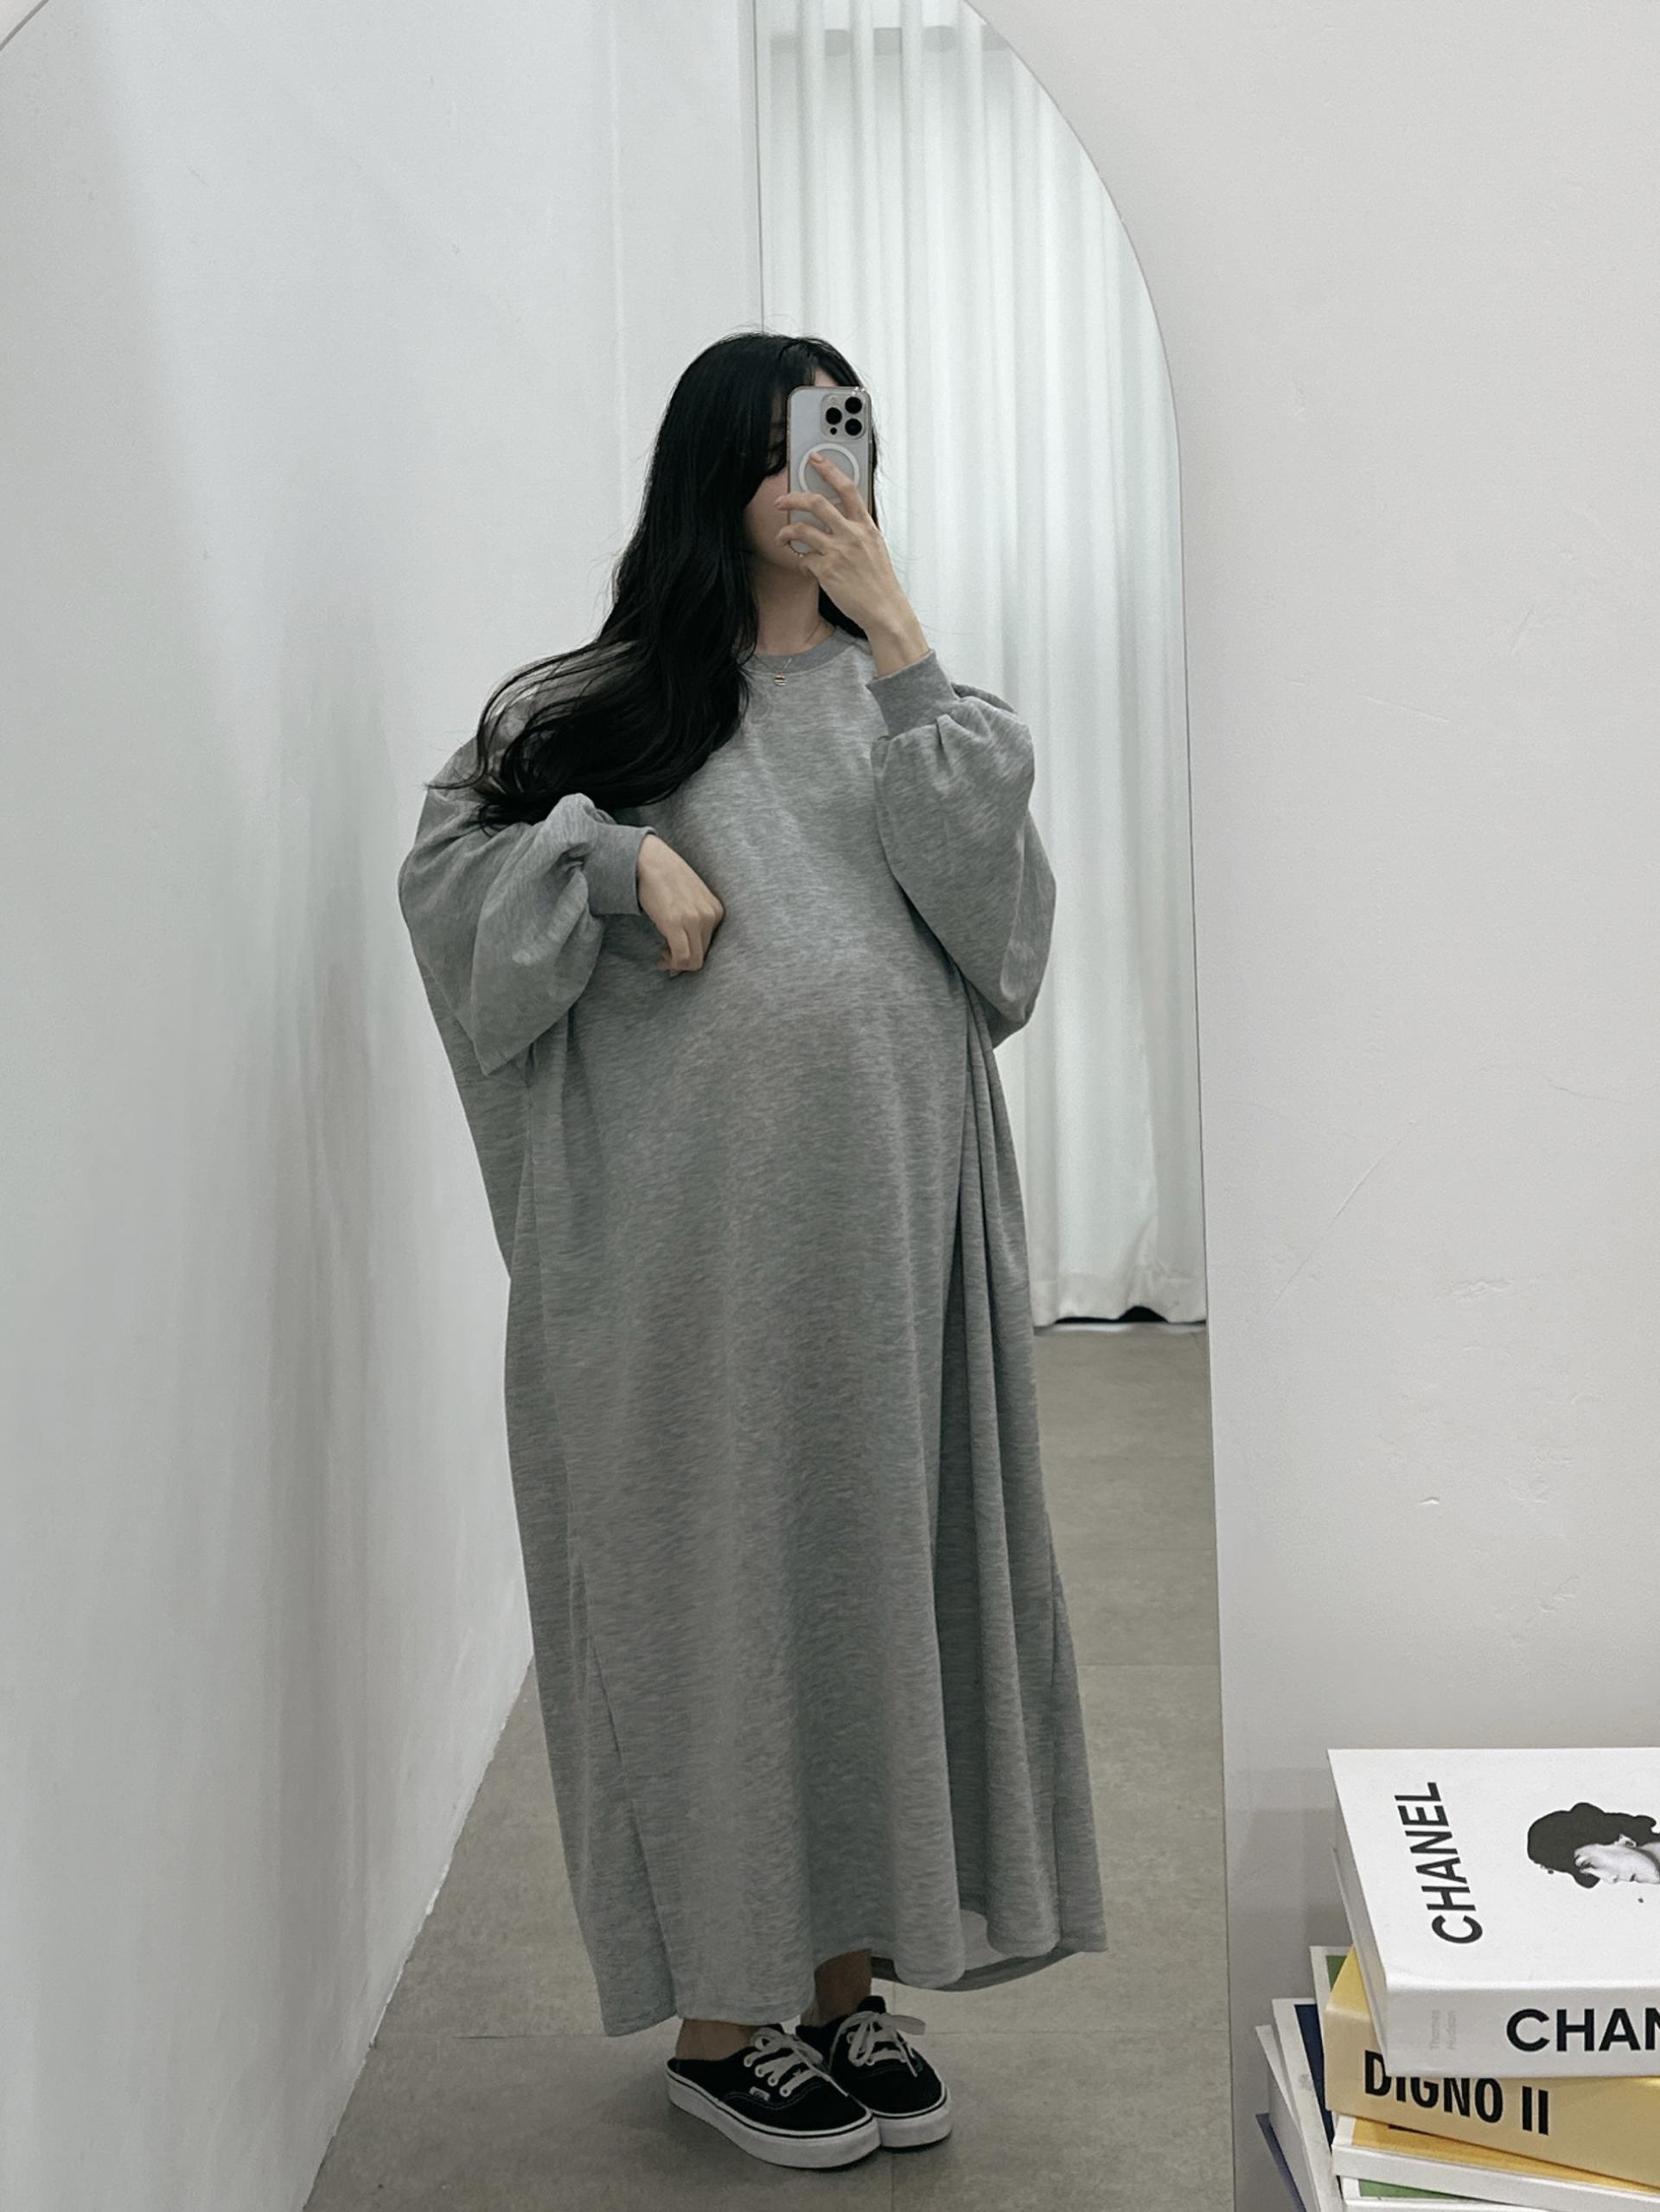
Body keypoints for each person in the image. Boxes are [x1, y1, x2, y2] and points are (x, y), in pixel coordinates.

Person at [395, 331, 1107, 2171]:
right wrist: (605, 858)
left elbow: (1004, 948)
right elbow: (450, 885)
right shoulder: (596, 714)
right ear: (718, 468)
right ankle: (725, 2022)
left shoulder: (912, 709)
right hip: (695, 1274)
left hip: (896, 1256)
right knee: (721, 1596)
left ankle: (846, 1985)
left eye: (847, 435)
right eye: (792, 441)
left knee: (877, 1584)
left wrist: (899, 632)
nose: (822, 472)